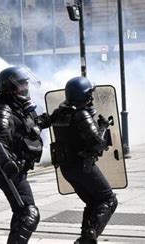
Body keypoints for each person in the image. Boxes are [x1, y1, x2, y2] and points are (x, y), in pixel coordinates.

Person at [0, 66, 51, 243]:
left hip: (18, 171)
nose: (26, 87)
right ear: (11, 88)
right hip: (9, 172)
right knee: (29, 214)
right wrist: (8, 164)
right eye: (22, 84)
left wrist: (57, 115)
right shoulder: (3, 111)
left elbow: (35, 125)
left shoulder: (19, 108)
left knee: (22, 213)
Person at [50, 77, 118, 243]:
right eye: (89, 94)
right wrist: (103, 126)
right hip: (83, 167)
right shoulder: (80, 115)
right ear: (83, 95)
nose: (92, 98)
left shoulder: (60, 113)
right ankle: (88, 238)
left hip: (68, 168)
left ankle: (86, 238)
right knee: (108, 200)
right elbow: (97, 144)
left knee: (92, 202)